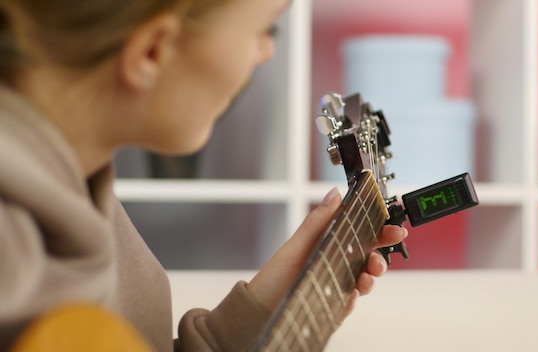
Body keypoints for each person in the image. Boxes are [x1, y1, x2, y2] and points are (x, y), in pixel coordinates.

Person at [0, 0, 408, 351]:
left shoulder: (79, 179)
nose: (266, 52)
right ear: (152, 51)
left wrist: (262, 313)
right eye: (265, 29)